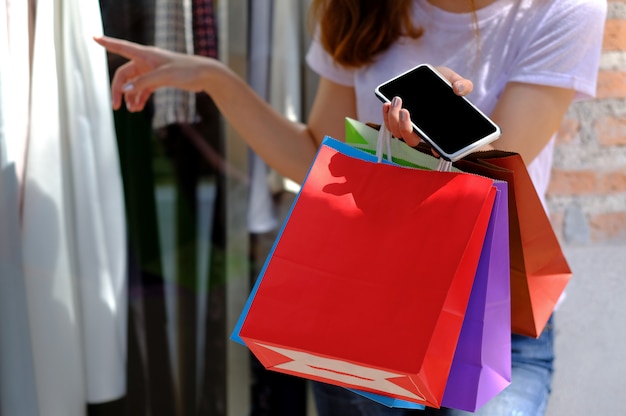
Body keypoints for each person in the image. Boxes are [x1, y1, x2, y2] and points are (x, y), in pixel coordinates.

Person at [94, 0, 606, 414]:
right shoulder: (358, 7)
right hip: (368, 314)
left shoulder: (563, 9)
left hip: (491, 323)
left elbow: (499, 165)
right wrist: (213, 78)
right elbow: (315, 154)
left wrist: (431, 136)